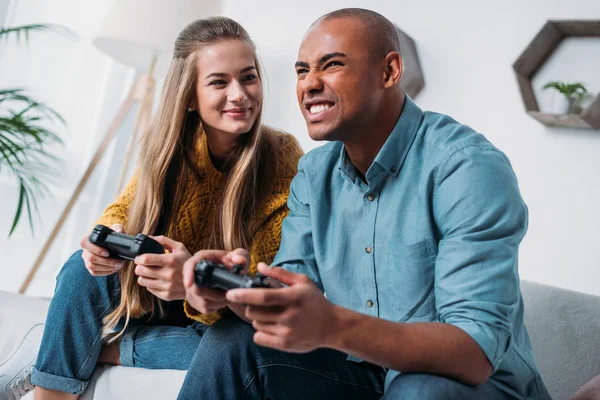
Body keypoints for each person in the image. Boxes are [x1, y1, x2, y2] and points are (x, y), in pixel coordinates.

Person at [179, 8, 552, 400]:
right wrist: (234, 293)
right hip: (366, 372)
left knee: (418, 389)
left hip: (474, 386)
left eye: (332, 65)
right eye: (302, 71)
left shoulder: (465, 167)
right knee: (233, 342)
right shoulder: (313, 173)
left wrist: (333, 326)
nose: (309, 84)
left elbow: (474, 354)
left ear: (389, 71)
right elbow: (287, 297)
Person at [0, 16, 302, 400]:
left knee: (233, 348)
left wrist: (194, 281)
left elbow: (263, 278)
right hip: (153, 297)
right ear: (190, 96)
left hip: (219, 312)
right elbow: (122, 209)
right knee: (80, 268)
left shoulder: (281, 153)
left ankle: (104, 351)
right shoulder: (168, 146)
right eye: (219, 82)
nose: (240, 93)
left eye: (248, 77)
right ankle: (52, 391)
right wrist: (103, 243)